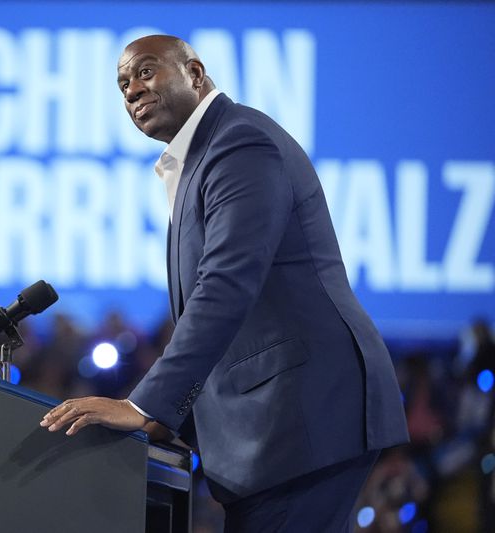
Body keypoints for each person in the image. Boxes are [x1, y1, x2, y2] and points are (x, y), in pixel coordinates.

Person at [41, 34, 408, 531]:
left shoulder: (239, 142)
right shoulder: (200, 157)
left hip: (302, 419)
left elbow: (227, 284)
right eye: (123, 83)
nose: (131, 91)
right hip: (279, 430)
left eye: (146, 72)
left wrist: (142, 404)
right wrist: (168, 419)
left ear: (195, 73)